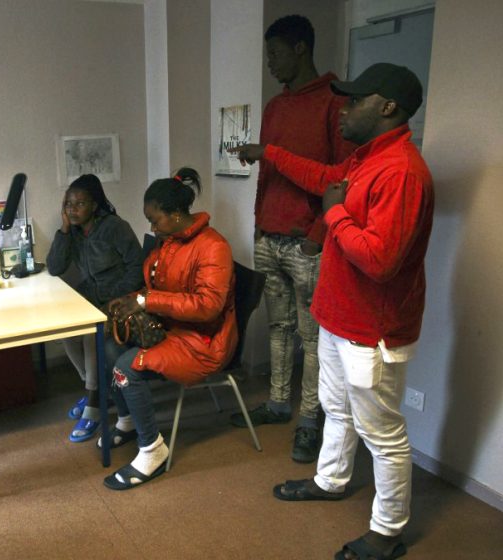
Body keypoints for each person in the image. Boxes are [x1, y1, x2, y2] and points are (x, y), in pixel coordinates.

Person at [233, 63, 433, 560]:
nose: (342, 109)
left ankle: (388, 532)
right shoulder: (366, 159)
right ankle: (330, 481)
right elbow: (323, 176)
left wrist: (334, 213)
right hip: (337, 317)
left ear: (387, 107)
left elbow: (381, 260)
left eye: (354, 100)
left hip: (372, 328)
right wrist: (273, 156)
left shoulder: (403, 171)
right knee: (336, 410)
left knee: (382, 434)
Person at [229, 14, 355, 465]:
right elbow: (268, 171)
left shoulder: (335, 102)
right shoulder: (276, 107)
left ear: (300, 49)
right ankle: (279, 403)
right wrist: (259, 221)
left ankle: (309, 419)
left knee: (313, 334)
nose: (269, 64)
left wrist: (318, 237)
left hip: (306, 243)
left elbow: (342, 180)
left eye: (275, 53)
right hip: (271, 236)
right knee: (278, 326)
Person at [101, 167, 237, 490]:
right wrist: (131, 301)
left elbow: (207, 307)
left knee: (126, 367)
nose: (151, 227)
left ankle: (153, 450)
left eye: (155, 219)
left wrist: (146, 301)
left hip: (204, 341)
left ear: (176, 215)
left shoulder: (213, 247)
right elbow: (158, 288)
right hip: (173, 329)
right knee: (109, 345)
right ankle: (128, 420)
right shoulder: (170, 240)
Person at [46, 174, 144, 442]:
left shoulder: (115, 227)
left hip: (121, 301)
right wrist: (64, 230)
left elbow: (138, 268)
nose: (72, 210)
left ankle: (95, 403)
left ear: (95, 205)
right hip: (91, 297)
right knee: (67, 330)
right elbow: (55, 267)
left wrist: (114, 296)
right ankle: (97, 388)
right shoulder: (75, 232)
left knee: (92, 332)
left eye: (79, 204)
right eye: (68, 204)